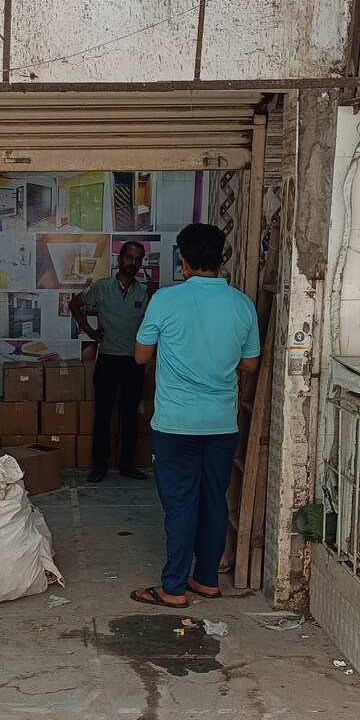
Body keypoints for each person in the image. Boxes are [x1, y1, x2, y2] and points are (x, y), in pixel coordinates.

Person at [131, 221, 260, 609]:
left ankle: (172, 587)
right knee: (214, 500)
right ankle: (206, 580)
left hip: (176, 425)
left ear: (183, 262)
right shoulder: (242, 304)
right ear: (221, 260)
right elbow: (250, 364)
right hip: (221, 424)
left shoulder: (166, 301)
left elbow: (140, 355)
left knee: (181, 505)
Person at [69, 240, 156, 483]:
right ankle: (100, 465)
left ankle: (127, 464)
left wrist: (154, 298)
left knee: (130, 415)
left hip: (134, 361)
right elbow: (74, 305)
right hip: (107, 358)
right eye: (129, 257)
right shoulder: (102, 287)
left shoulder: (145, 292)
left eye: (138, 259)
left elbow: (153, 324)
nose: (133, 263)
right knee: (103, 414)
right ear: (120, 259)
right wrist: (90, 331)